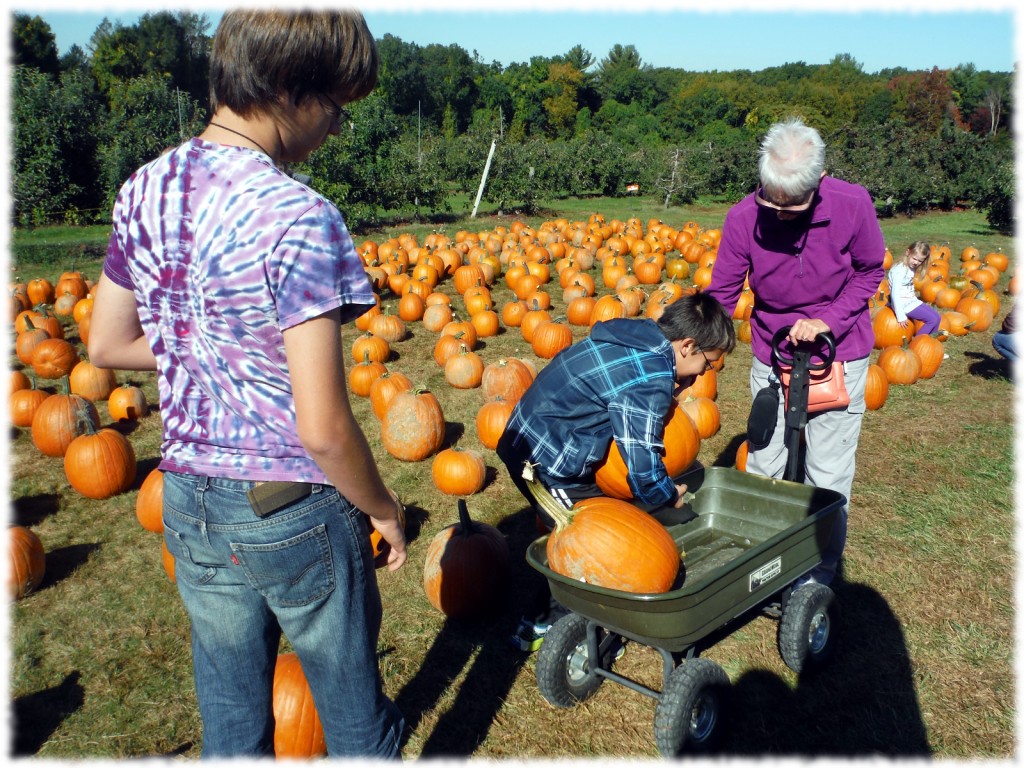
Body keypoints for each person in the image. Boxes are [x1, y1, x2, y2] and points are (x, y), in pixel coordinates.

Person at [87, 10, 405, 758]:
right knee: (359, 724)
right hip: (287, 505)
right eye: (336, 107)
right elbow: (323, 428)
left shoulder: (142, 190)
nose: (334, 127)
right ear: (293, 88)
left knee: (231, 721)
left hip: (188, 498)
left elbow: (106, 342)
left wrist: (202, 349)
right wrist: (385, 509)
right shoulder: (299, 215)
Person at [705, 117, 886, 588]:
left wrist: (829, 319)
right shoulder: (743, 216)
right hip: (772, 349)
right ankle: (762, 561)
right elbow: (723, 290)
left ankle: (817, 574)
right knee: (765, 458)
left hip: (837, 352)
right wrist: (694, 343)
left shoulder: (853, 204)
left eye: (794, 206)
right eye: (772, 201)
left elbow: (870, 272)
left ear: (820, 184)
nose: (780, 213)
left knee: (827, 467)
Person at [496, 292, 736, 647]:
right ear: (687, 346)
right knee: (582, 537)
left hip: (531, 431)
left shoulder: (639, 337)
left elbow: (619, 393)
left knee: (597, 518)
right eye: (709, 364)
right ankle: (542, 623)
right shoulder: (649, 379)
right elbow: (641, 466)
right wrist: (668, 495)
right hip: (544, 459)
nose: (703, 374)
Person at [888, 241, 942, 336]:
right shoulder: (900, 270)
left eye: (920, 261)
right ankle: (917, 344)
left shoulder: (910, 266)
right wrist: (900, 315)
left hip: (911, 301)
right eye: (914, 259)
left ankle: (931, 343)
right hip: (903, 305)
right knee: (932, 320)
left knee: (937, 317)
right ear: (908, 252)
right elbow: (895, 293)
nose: (916, 262)